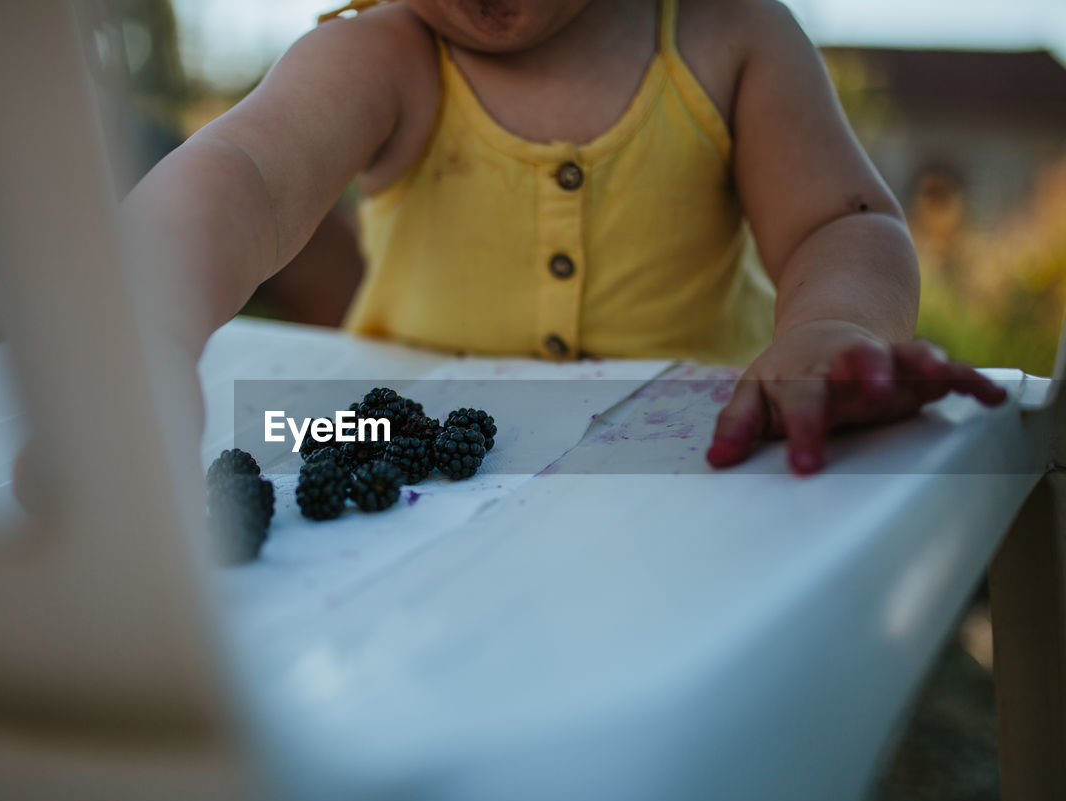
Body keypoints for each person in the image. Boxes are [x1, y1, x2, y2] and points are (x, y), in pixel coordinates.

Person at [124, 0, 1007, 476]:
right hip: (423, 478)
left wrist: (833, 329)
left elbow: (837, 223)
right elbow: (247, 176)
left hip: (692, 476)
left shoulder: (732, 36)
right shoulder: (381, 52)